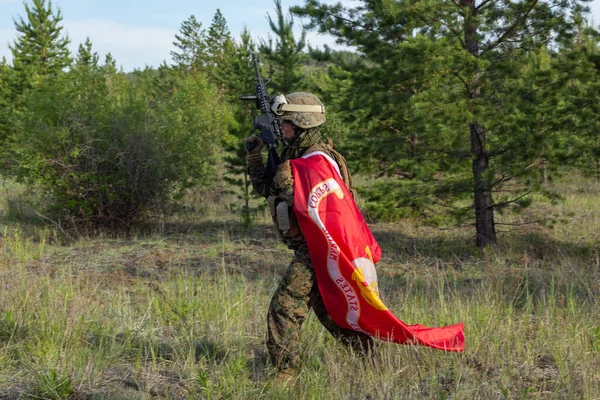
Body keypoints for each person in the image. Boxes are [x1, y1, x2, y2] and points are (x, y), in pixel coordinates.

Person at [245, 92, 374, 379]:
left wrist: (289, 187)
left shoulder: (317, 159)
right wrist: (256, 155)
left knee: (284, 308)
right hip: (313, 247)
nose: (282, 128)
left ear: (301, 124)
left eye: (286, 123)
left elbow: (321, 208)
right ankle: (372, 362)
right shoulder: (296, 155)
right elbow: (266, 188)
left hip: (319, 249)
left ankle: (285, 375)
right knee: (329, 310)